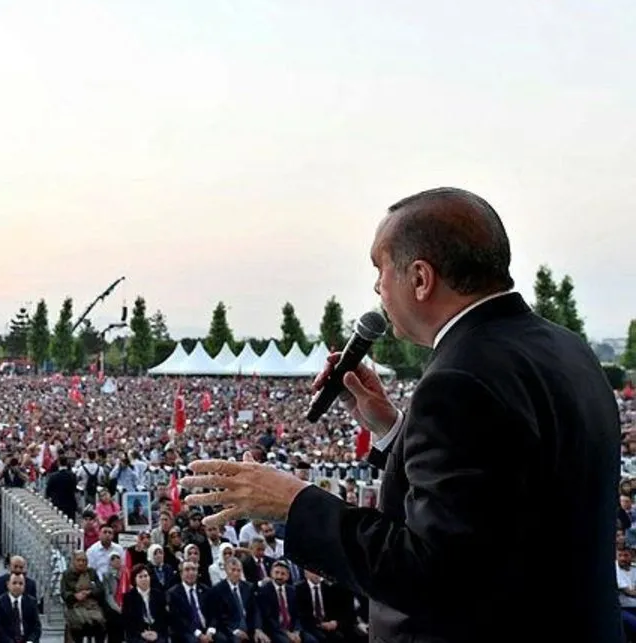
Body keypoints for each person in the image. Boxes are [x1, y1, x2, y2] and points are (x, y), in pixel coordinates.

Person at [180, 187, 622, 642]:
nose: (376, 287)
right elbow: (504, 502)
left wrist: (295, 502)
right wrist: (391, 430)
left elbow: (430, 570)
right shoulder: (565, 348)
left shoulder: (461, 377)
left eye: (380, 268)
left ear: (421, 278)